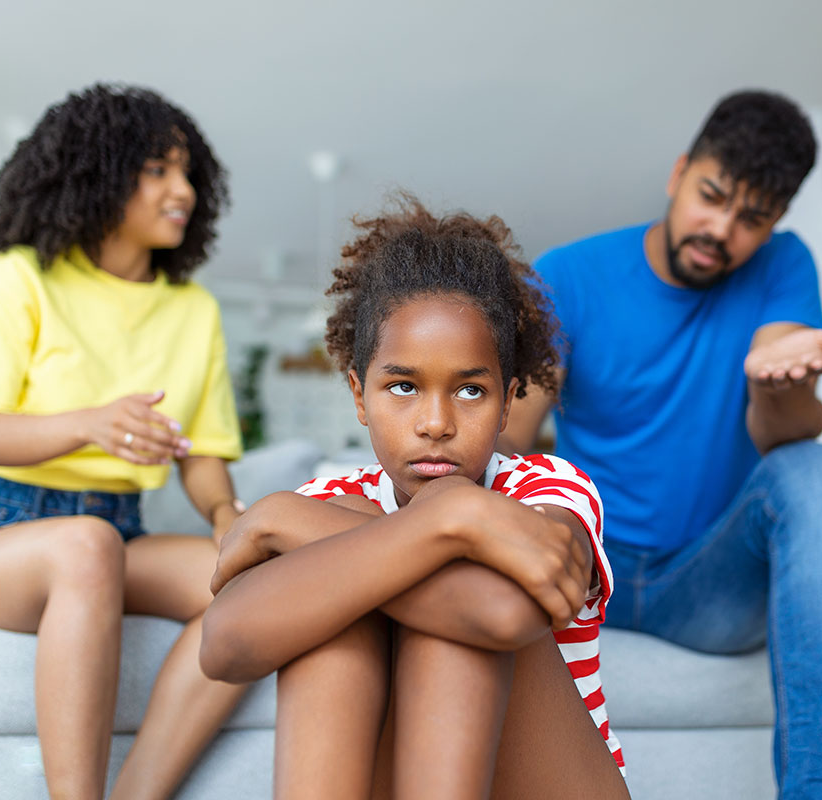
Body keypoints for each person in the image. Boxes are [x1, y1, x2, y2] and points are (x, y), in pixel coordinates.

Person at [498, 90, 822, 799]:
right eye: (711, 196)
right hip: (586, 569)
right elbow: (510, 437)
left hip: (706, 581)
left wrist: (777, 385)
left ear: (776, 223)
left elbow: (780, 435)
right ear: (678, 173)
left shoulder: (784, 266)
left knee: (818, 471)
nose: (720, 228)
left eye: (751, 218)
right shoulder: (570, 277)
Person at [200, 197, 630, 800]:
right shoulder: (331, 496)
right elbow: (226, 645)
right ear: (359, 393)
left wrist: (287, 518)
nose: (435, 423)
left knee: (443, 596)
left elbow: (501, 615)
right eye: (403, 386)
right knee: (347, 580)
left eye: (471, 391)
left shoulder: (545, 486)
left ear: (509, 402)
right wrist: (450, 523)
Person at [0, 84, 249, 799]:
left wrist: (227, 520)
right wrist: (92, 422)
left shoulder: (194, 310)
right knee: (85, 543)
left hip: (117, 530)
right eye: (157, 169)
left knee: (252, 583)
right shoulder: (16, 279)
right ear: (98, 172)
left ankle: (137, 792)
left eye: (188, 173)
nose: (181, 190)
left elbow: (202, 452)